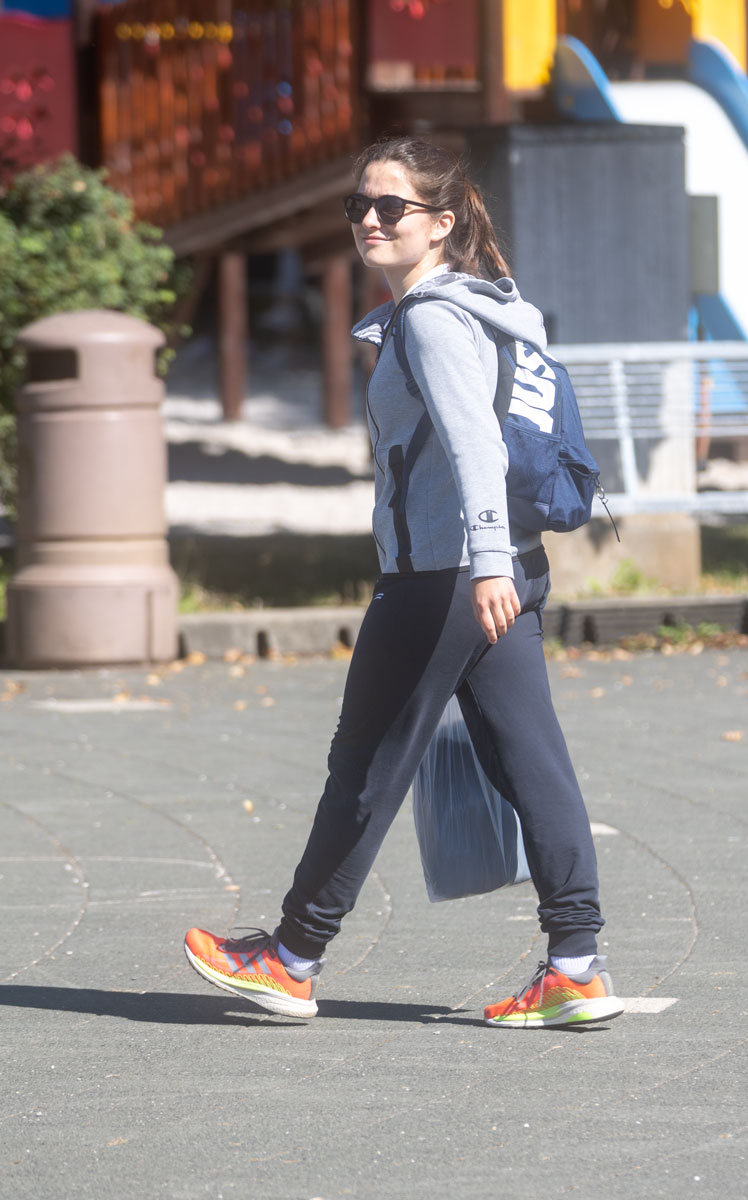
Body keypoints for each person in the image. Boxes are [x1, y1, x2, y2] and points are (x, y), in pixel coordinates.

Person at [184, 136, 624, 1030]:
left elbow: (476, 446)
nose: (371, 221)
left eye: (393, 208)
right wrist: (503, 564)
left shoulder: (431, 319)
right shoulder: (488, 309)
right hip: (504, 571)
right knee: (532, 763)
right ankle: (576, 966)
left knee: (366, 767)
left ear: (444, 221)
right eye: (360, 207)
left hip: (447, 578)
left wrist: (487, 562)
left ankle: (292, 957)